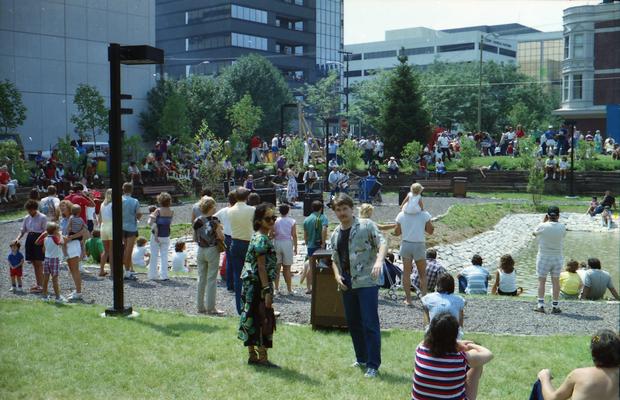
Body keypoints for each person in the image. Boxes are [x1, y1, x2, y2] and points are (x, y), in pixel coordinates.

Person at [330, 194, 387, 378]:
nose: (341, 213)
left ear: (351, 208)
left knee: (370, 323)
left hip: (367, 281)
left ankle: (373, 365)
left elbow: (383, 242)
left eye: (344, 209)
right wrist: (337, 275)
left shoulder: (366, 225)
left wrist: (379, 261)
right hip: (347, 283)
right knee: (354, 323)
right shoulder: (335, 233)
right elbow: (334, 259)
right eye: (338, 210)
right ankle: (361, 358)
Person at [412, 312, 493, 400]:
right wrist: (470, 345)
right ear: (455, 335)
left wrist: (455, 343)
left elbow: (428, 341)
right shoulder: (461, 359)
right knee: (478, 363)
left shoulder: (420, 349)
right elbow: (489, 354)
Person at [238, 203, 279, 368]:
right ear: (259, 220)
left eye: (273, 218)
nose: (272, 221)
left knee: (250, 317)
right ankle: (262, 358)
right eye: (268, 218)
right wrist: (267, 290)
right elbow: (261, 267)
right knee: (263, 318)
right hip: (258, 286)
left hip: (250, 285)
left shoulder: (258, 235)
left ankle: (252, 356)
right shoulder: (261, 238)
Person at [532, 329, 619, 400]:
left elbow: (552, 398)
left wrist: (544, 377)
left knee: (541, 383)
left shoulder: (579, 375)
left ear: (594, 352)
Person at [393, 204, 434, 305]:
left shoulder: (401, 215)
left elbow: (397, 232)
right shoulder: (424, 214)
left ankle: (408, 299)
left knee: (406, 273)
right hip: (419, 245)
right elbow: (430, 231)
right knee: (422, 274)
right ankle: (424, 299)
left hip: (406, 244)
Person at [193, 196, 225, 315]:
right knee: (211, 279)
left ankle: (200, 306)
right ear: (211, 207)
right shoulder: (214, 221)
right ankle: (211, 307)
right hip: (212, 250)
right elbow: (221, 236)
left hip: (200, 250)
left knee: (201, 279)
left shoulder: (197, 220)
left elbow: (194, 238)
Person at [533, 206, 566, 313]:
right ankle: (555, 306)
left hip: (543, 256)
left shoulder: (542, 226)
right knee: (555, 282)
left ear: (547, 215)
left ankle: (540, 305)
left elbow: (534, 233)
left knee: (541, 281)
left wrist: (543, 221)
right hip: (557, 257)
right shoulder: (562, 227)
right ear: (558, 216)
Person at [229, 187, 256, 314]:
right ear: (247, 197)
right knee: (250, 275)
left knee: (237, 276)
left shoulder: (230, 210)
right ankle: (250, 305)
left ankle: (239, 307)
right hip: (248, 243)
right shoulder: (252, 210)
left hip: (235, 242)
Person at [14, 199, 47, 293]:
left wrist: (41, 242)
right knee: (34, 263)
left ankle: (43, 285)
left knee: (39, 263)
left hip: (39, 239)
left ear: (35, 209)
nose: (29, 212)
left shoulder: (42, 217)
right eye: (28, 210)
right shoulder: (27, 217)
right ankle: (39, 284)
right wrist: (18, 238)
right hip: (30, 239)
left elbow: (45, 231)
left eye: (31, 210)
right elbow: (23, 230)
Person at [421, 274, 465, 339]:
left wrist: (427, 328)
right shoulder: (459, 299)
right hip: (454, 334)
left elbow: (425, 308)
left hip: (433, 333)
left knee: (425, 308)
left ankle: (427, 329)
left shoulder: (428, 298)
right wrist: (460, 330)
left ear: (437, 285)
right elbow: (460, 318)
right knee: (460, 310)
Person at [302, 200, 328, 294]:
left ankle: (309, 287)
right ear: (321, 208)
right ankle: (321, 285)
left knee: (310, 266)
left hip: (310, 246)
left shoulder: (307, 219)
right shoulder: (323, 217)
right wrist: (323, 242)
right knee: (323, 265)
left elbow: (305, 234)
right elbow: (324, 229)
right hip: (320, 245)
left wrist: (306, 242)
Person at [35, 222, 65, 303]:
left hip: (46, 259)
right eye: (58, 230)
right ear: (55, 231)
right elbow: (61, 243)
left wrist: (44, 234)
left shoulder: (45, 239)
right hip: (54, 260)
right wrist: (61, 236)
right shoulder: (55, 238)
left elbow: (37, 243)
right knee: (55, 279)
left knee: (46, 279)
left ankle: (44, 296)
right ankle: (58, 298)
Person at [148, 192, 174, 281]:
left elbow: (151, 222)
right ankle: (164, 275)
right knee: (164, 255)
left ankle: (153, 275)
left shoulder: (158, 211)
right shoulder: (171, 212)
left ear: (160, 201)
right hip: (166, 235)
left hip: (156, 235)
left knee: (154, 255)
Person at [64, 203, 88, 301]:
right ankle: (77, 291)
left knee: (75, 269)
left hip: (72, 241)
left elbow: (68, 228)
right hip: (73, 241)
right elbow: (85, 227)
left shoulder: (71, 219)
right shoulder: (81, 219)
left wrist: (70, 235)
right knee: (72, 269)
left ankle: (78, 292)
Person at [214, 191, 236, 292]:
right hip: (239, 237)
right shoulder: (240, 210)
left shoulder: (224, 210)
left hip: (228, 237)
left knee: (229, 261)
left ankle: (230, 284)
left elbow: (213, 218)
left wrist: (219, 227)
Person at [273, 204, 297, 296]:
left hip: (277, 243)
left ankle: (276, 289)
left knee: (277, 268)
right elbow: (294, 235)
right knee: (287, 268)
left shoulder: (276, 221)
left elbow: (272, 233)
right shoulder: (292, 221)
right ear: (288, 211)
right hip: (287, 243)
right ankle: (289, 289)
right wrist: (295, 247)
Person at [121, 182, 142, 280]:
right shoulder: (135, 201)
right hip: (131, 227)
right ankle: (127, 271)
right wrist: (137, 218)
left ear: (123, 189)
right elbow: (139, 214)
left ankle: (125, 270)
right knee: (128, 251)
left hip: (121, 227)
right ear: (131, 190)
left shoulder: (119, 200)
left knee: (124, 249)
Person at [97, 189, 113, 277]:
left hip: (103, 227)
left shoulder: (102, 204)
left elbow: (99, 218)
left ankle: (101, 270)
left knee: (105, 250)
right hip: (111, 226)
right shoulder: (113, 204)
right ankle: (113, 271)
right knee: (111, 251)